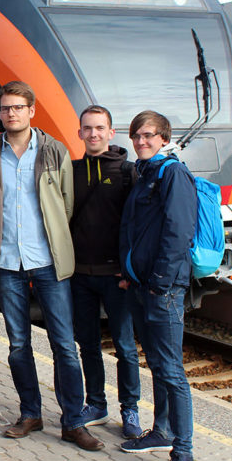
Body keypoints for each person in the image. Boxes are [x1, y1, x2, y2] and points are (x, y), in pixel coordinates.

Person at [0, 81, 102, 451]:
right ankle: (30, 413)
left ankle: (73, 421)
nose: (11, 113)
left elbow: (65, 204)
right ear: (0, 113)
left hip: (47, 260)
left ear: (32, 111)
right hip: (7, 261)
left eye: (18, 107)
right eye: (5, 108)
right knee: (18, 344)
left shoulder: (54, 151)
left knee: (64, 344)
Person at [119, 110, 198, 461]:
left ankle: (183, 450)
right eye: (136, 136)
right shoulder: (145, 173)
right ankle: (161, 429)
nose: (141, 141)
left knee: (171, 370)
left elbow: (178, 232)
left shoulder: (173, 174)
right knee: (158, 365)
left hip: (162, 289)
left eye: (148, 135)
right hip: (142, 286)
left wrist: (160, 282)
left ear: (164, 138)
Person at [70, 106, 144, 439]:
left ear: (111, 133)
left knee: (125, 347)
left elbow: (138, 224)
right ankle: (96, 404)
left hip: (117, 277)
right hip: (80, 275)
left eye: (100, 128)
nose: (94, 134)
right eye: (88, 128)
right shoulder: (71, 171)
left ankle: (130, 409)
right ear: (80, 133)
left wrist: (131, 269)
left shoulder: (128, 172)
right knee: (87, 344)